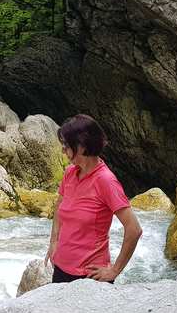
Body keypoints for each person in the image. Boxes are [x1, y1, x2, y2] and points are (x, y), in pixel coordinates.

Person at [47, 114, 143, 283]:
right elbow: (59, 206)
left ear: (82, 146)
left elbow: (134, 229)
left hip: (89, 277)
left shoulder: (106, 181)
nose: (63, 150)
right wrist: (53, 242)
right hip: (61, 270)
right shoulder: (70, 173)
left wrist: (114, 270)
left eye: (66, 146)